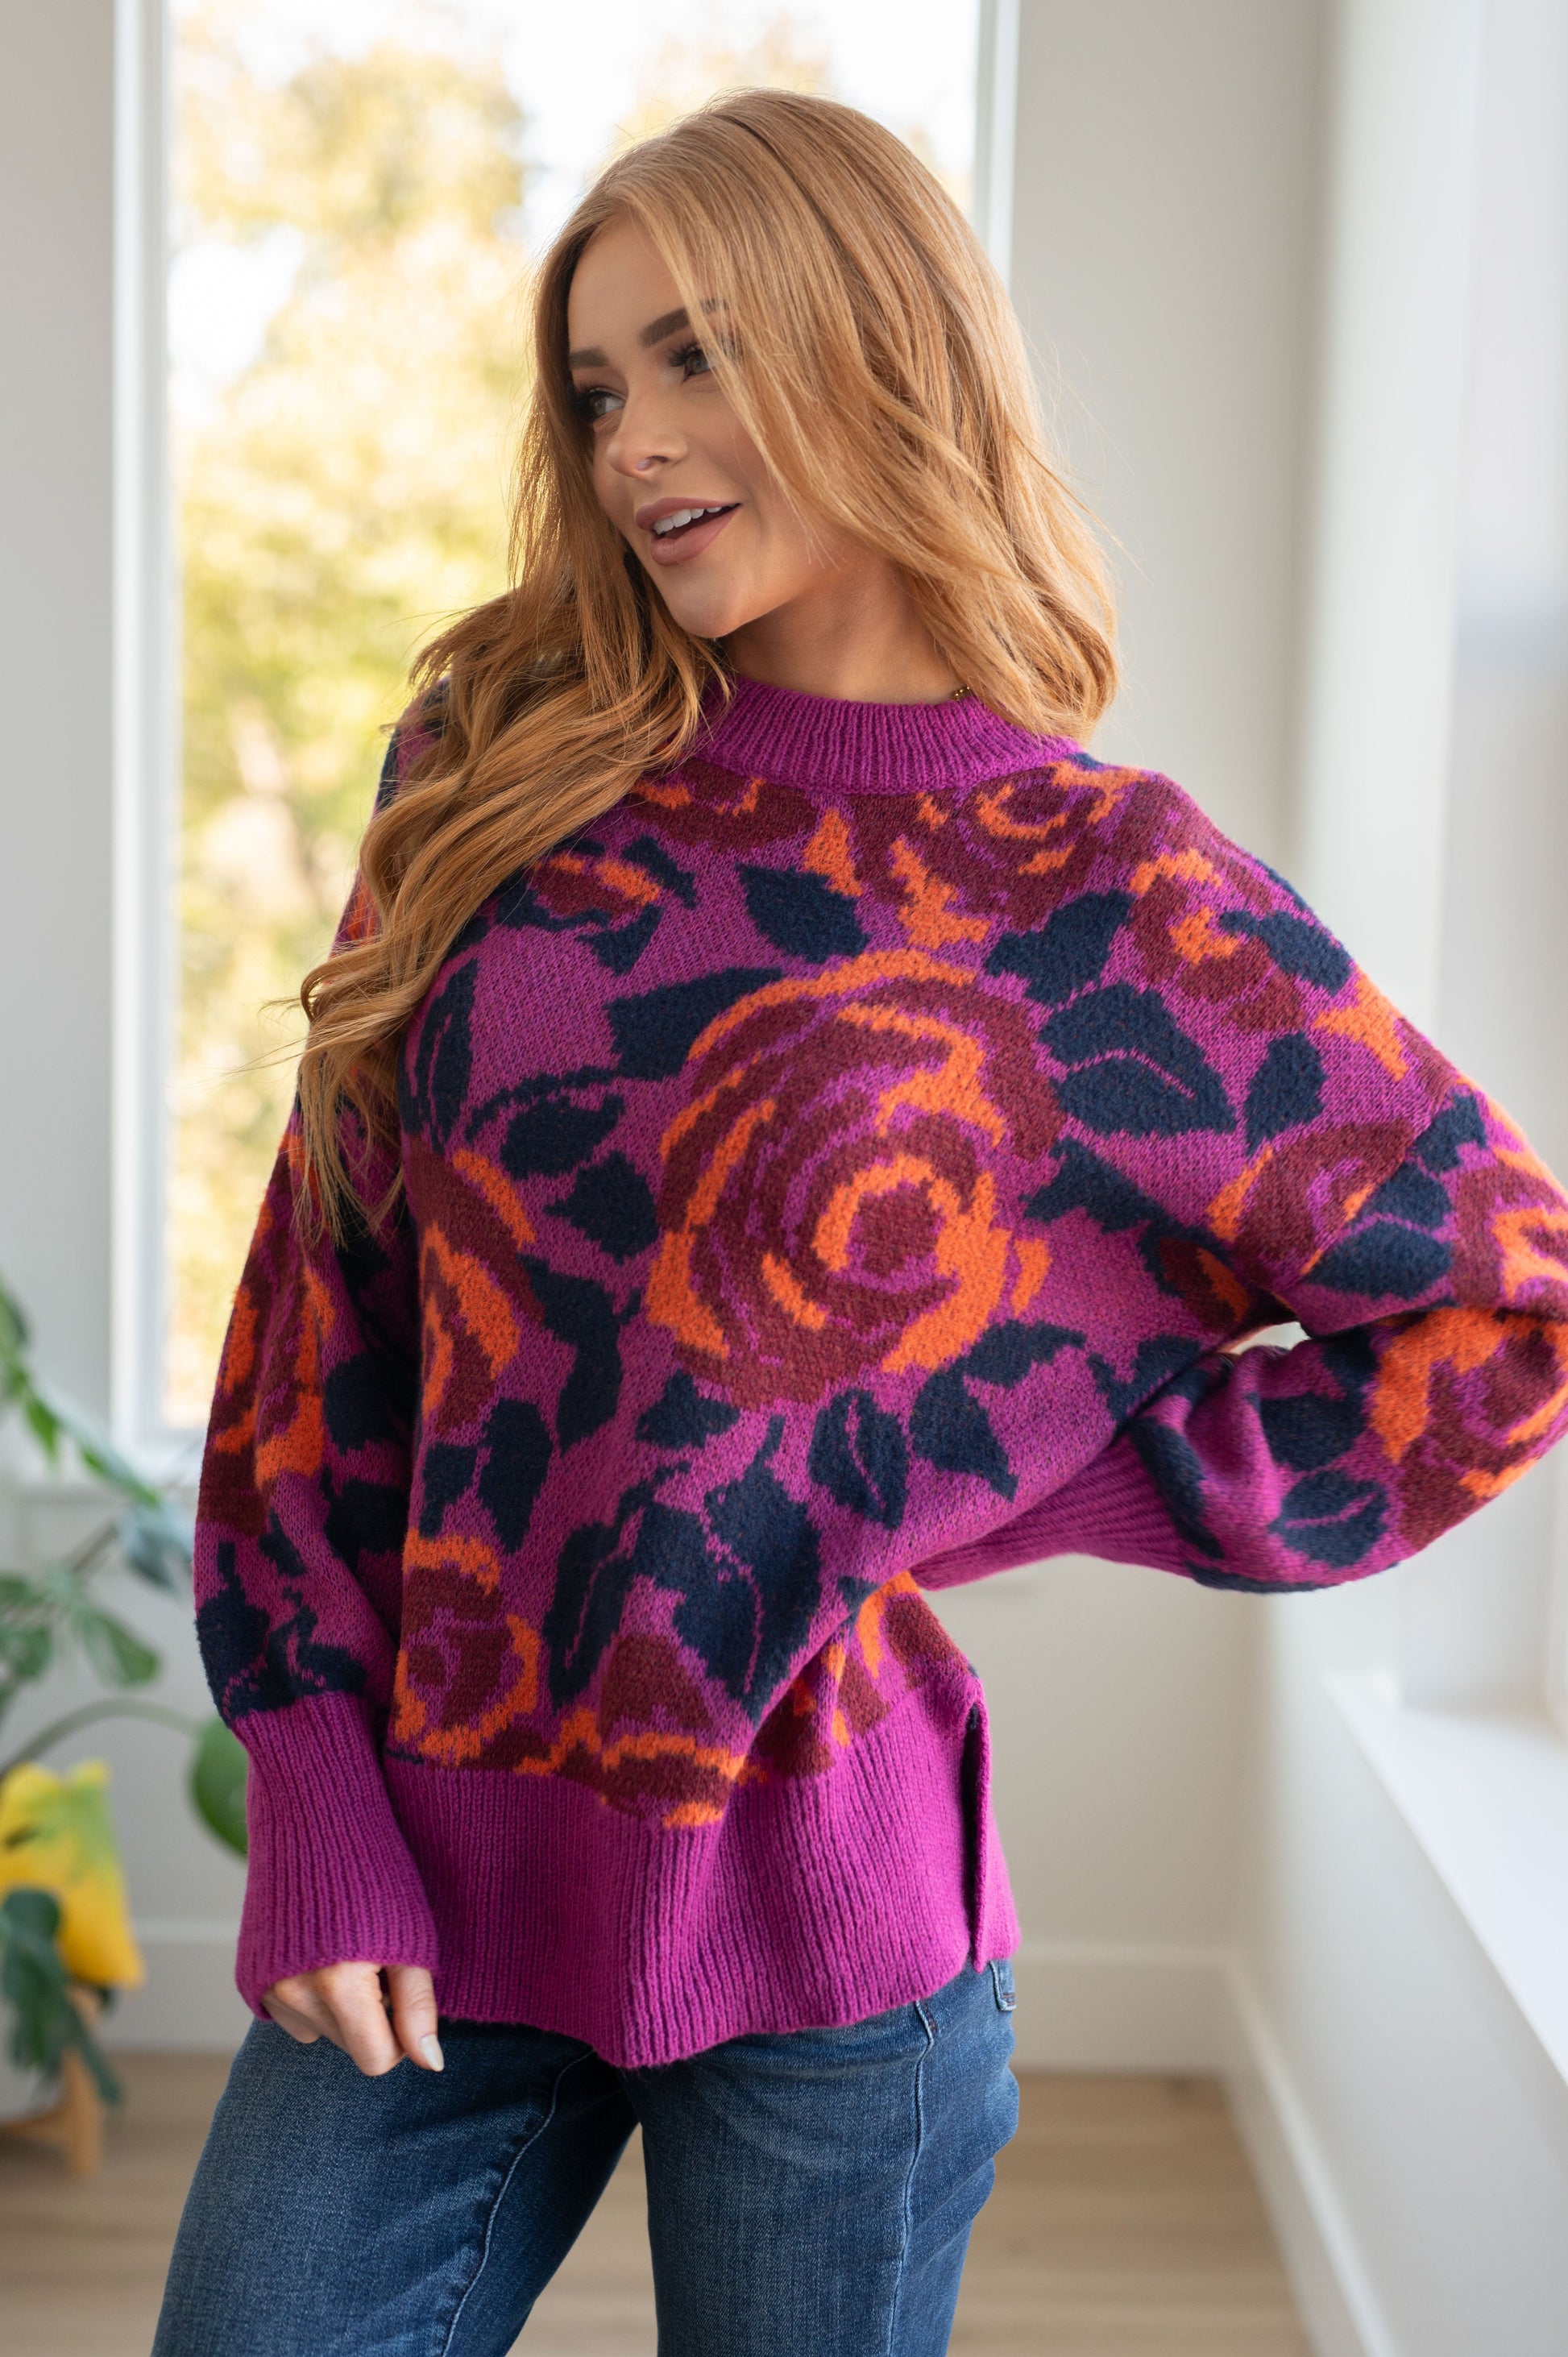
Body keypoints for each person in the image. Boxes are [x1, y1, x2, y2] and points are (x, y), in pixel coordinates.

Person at [153, 89, 1568, 2357]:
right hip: (432, 1862)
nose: (632, 442)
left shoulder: (1109, 889)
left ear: (877, 347)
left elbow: (1504, 1308)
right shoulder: (501, 752)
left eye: (698, 356)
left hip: (836, 1940)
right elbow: (317, 1323)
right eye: (595, 387)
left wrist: (1009, 1481)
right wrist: (312, 1782)